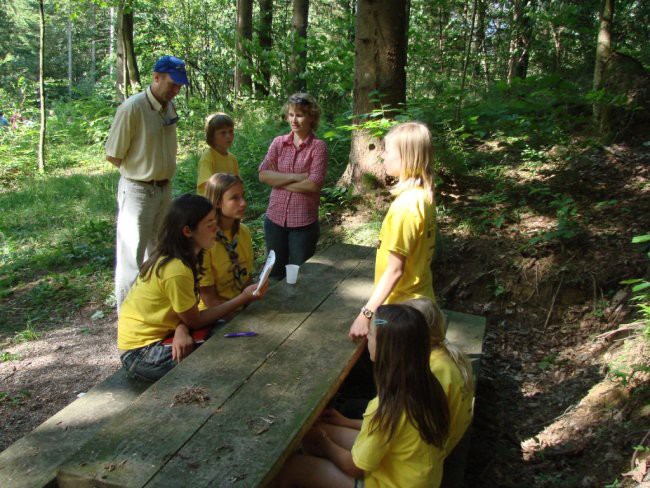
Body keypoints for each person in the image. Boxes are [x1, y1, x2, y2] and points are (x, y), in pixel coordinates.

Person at [276, 304, 450, 488]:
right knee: (319, 431)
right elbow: (393, 432)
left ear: (384, 348)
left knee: (290, 467)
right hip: (412, 476)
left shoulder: (388, 407)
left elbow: (355, 468)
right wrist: (345, 422)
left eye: (371, 334)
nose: (367, 336)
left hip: (388, 483)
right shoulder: (427, 386)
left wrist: (324, 442)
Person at [118, 194, 265, 382]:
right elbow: (195, 320)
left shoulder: (189, 256)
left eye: (215, 221)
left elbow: (184, 313)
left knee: (234, 336)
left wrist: (181, 328)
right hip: (141, 353)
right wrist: (243, 298)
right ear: (188, 231)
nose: (216, 229)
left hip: (166, 335)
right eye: (209, 224)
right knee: (226, 362)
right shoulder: (176, 270)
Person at [106, 55, 188, 309]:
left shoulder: (168, 107)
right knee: (132, 257)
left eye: (179, 86)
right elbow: (113, 154)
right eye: (172, 84)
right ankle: (127, 319)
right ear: (156, 78)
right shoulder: (133, 108)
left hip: (164, 188)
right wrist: (142, 173)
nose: (175, 90)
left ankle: (152, 309)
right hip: (137, 191)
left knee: (160, 251)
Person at [349, 121, 437, 339]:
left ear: (406, 158)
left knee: (382, 354)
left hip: (402, 311)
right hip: (418, 301)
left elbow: (395, 270)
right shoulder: (422, 196)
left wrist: (366, 313)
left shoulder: (406, 207)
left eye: (388, 151)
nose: (383, 156)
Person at [258, 93, 328, 280]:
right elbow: (263, 174)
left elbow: (313, 184)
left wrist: (279, 182)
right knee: (273, 273)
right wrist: (295, 177)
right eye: (291, 114)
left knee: (299, 275)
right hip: (275, 219)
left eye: (299, 115)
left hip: (303, 223)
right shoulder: (278, 143)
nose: (294, 120)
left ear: (311, 117)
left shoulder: (318, 147)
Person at [404, 298, 474, 456]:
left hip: (436, 449)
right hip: (449, 436)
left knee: (352, 409)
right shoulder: (449, 354)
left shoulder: (430, 372)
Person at [199, 173, 256, 314]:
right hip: (216, 316)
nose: (243, 203)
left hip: (243, 307)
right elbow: (210, 301)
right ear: (217, 202)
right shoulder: (204, 242)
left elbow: (247, 279)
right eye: (234, 198)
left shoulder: (243, 232)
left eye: (243, 196)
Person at [196, 113, 239, 195]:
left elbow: (237, 184)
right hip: (209, 204)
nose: (228, 136)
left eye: (231, 131)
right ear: (212, 136)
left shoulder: (232, 159)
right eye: (223, 133)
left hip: (227, 204)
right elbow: (206, 185)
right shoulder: (208, 157)